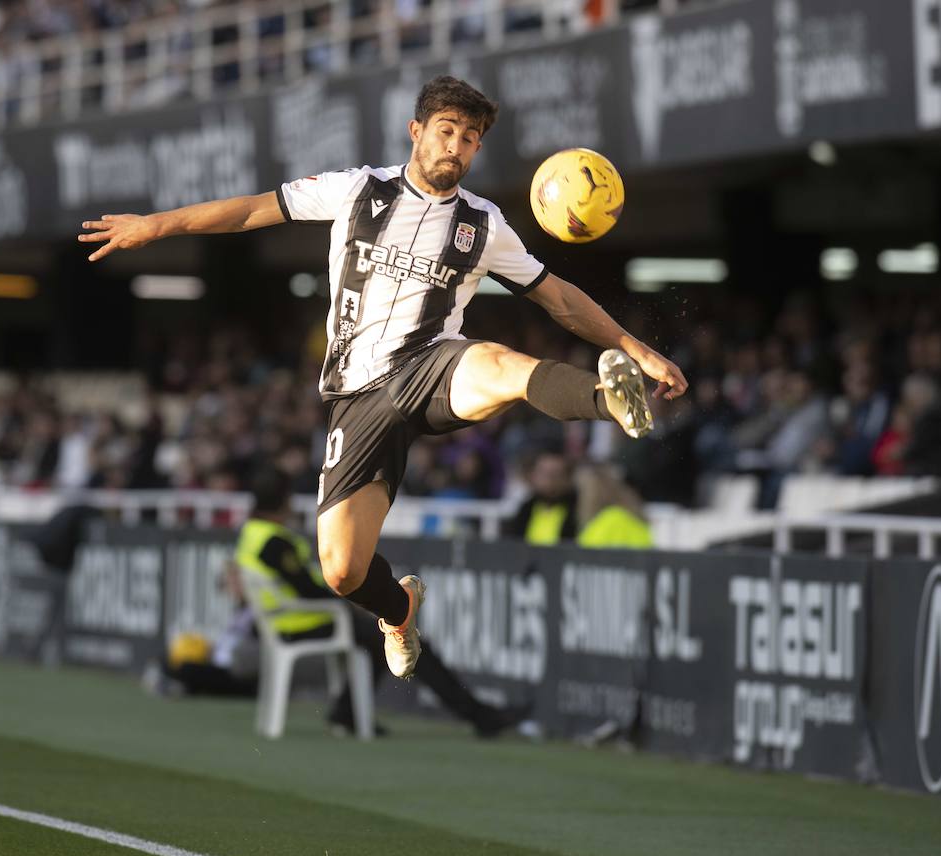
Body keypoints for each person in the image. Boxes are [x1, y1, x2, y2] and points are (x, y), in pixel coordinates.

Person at [80, 76, 688, 680]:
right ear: (417, 132)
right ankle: (399, 610)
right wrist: (155, 225)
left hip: (431, 364)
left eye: (470, 138)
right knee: (342, 570)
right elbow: (250, 211)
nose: (457, 146)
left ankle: (609, 399)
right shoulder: (356, 190)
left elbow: (557, 298)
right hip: (359, 398)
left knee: (500, 364)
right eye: (447, 131)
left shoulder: (484, 224)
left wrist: (635, 348)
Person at [220, 469, 532, 737]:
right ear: (283, 499)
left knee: (384, 637)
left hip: (288, 622)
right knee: (401, 635)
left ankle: (349, 712)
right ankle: (479, 716)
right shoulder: (274, 541)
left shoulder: (251, 534)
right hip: (305, 622)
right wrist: (352, 601)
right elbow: (306, 590)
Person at [504, 452, 653, 548]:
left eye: (555, 475)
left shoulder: (606, 520)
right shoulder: (525, 511)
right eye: (544, 474)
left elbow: (582, 556)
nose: (549, 482)